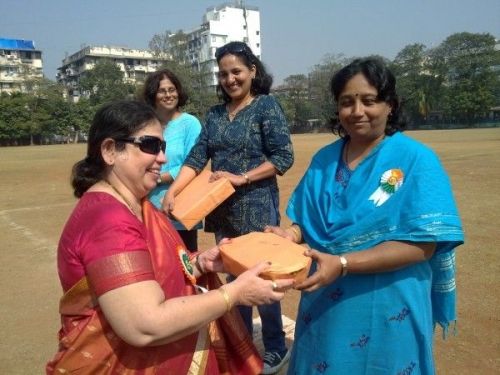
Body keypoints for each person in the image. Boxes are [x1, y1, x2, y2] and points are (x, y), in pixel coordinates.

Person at [46, 100, 294, 374]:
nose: (162, 158)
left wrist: (199, 265)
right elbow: (145, 324)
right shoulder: (108, 220)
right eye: (150, 146)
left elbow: (149, 272)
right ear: (109, 151)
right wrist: (233, 293)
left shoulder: (135, 206)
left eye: (162, 147)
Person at [266, 58, 464, 374]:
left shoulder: (416, 160)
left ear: (390, 105)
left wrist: (343, 263)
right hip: (324, 301)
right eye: (347, 102)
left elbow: (423, 245)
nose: (357, 111)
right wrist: (289, 236)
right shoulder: (325, 159)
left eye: (369, 101)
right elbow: (306, 219)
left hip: (390, 305)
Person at [165, 41, 294, 374]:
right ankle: (242, 346)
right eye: (223, 74)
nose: (230, 79)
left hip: (257, 210)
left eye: (236, 71)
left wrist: (242, 177)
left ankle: (276, 349)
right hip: (222, 211)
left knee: (262, 278)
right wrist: (174, 191)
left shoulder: (266, 106)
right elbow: (196, 157)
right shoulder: (215, 115)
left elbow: (283, 157)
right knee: (233, 279)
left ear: (252, 71)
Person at [142, 68, 202, 252]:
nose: (168, 95)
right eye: (162, 91)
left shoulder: (190, 123)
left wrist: (157, 179)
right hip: (148, 205)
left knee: (186, 266)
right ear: (153, 94)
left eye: (172, 89)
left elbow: (193, 163)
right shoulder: (146, 125)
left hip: (180, 206)